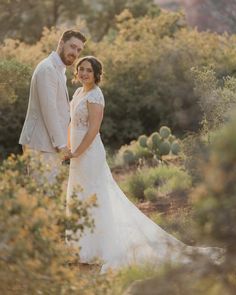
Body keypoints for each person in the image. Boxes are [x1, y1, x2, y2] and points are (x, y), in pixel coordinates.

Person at [66, 56, 224, 273]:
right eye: (81, 69)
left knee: (95, 196)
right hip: (76, 154)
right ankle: (81, 247)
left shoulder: (95, 95)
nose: (84, 73)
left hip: (88, 153)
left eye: (88, 71)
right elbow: (72, 124)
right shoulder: (77, 93)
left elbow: (93, 130)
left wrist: (76, 152)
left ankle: (100, 249)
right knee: (79, 196)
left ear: (96, 75)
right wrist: (68, 148)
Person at [19, 29, 86, 181]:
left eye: (79, 50)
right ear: (61, 43)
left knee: (47, 197)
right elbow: (49, 110)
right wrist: (61, 145)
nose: (75, 53)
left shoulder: (59, 70)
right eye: (72, 47)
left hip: (48, 145)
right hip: (41, 144)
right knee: (43, 196)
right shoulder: (47, 68)